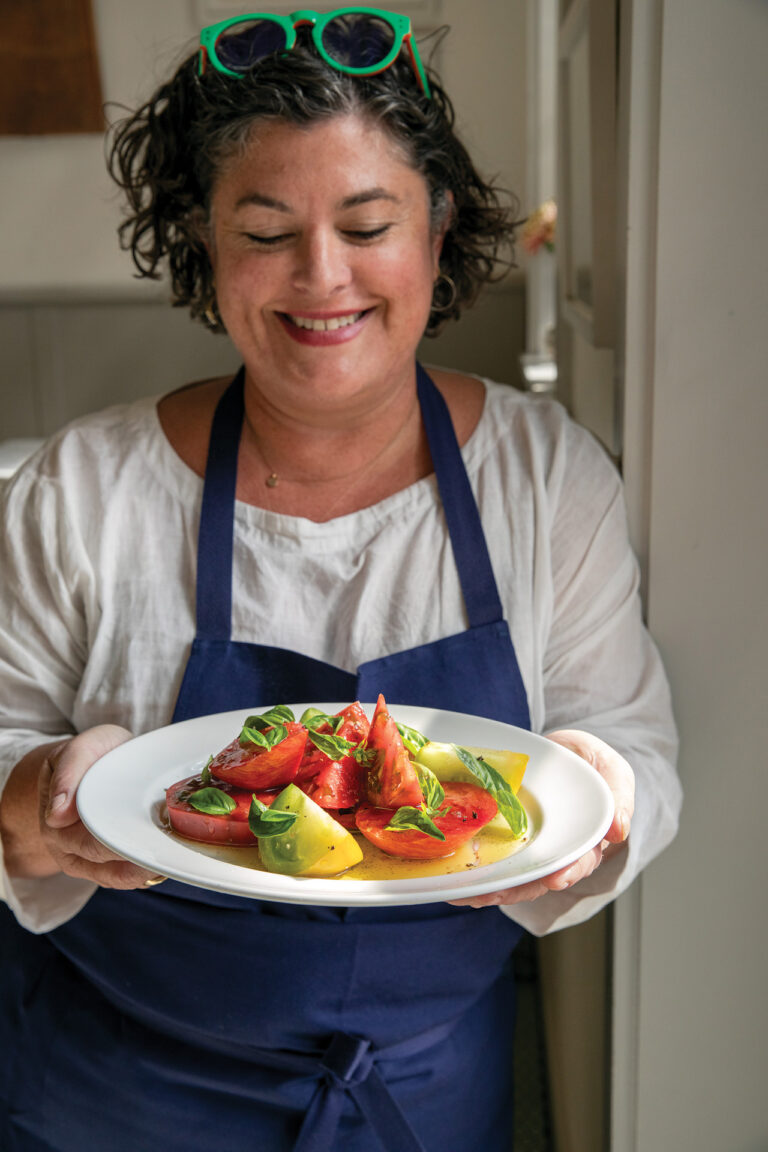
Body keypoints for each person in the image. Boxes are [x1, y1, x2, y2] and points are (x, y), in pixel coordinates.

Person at [0, 9, 681, 1152]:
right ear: (205, 246)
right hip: (112, 1086)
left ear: (438, 228)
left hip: (423, 1090)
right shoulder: (82, 486)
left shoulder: (544, 473)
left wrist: (604, 789)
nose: (323, 279)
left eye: (368, 225)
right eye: (266, 232)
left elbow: (629, 742)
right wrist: (41, 809)